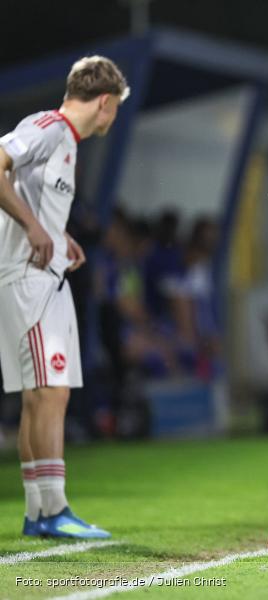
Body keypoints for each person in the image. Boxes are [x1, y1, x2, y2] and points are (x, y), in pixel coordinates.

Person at [0, 55, 128, 538]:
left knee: (41, 396)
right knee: (50, 391)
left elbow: (28, 193)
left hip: (41, 278)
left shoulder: (64, 141)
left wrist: (57, 234)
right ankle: (53, 510)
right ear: (104, 102)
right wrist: (35, 228)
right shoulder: (49, 128)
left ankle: (39, 512)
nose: (112, 118)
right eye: (114, 108)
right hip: (29, 279)